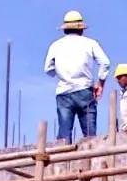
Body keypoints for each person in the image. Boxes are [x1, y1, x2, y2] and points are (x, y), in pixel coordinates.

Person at [44, 9, 110, 142]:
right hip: (85, 91)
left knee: (64, 137)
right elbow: (105, 63)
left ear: (65, 29)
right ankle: (90, 154)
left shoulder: (55, 46)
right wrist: (100, 84)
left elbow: (48, 69)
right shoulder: (90, 43)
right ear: (81, 29)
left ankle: (64, 154)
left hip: (64, 93)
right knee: (90, 136)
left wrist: (62, 73)